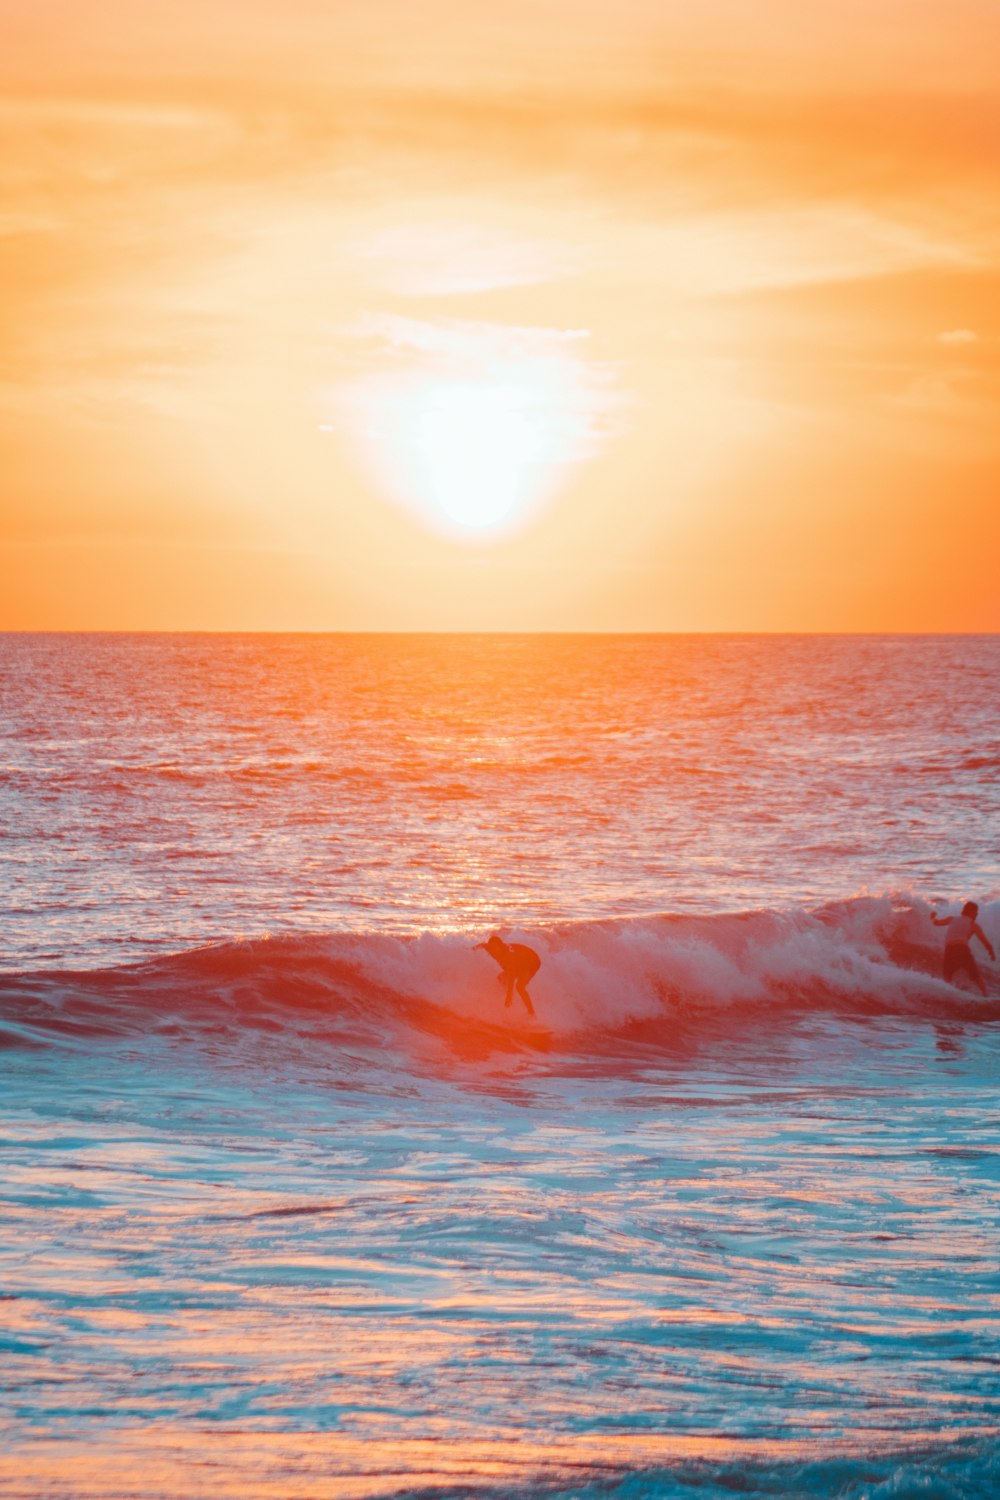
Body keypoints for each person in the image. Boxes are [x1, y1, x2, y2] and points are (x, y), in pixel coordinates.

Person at [931, 901, 995, 996]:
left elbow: (936, 923)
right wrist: (991, 952)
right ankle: (985, 995)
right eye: (975, 911)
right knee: (975, 975)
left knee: (947, 976)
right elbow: (984, 941)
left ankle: (946, 995)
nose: (977, 914)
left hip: (949, 950)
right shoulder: (973, 925)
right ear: (971, 911)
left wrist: (932, 917)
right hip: (962, 950)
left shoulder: (952, 919)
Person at [474, 933, 540, 1017]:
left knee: (520, 987)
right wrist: (470, 951)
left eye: (496, 948)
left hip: (532, 961)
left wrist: (509, 996)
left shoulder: (507, 956)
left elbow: (511, 976)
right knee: (500, 978)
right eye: (492, 947)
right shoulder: (489, 948)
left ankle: (532, 1013)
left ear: (500, 947)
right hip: (520, 960)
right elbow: (481, 945)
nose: (494, 950)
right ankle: (509, 998)